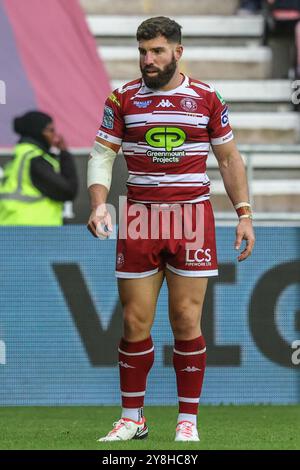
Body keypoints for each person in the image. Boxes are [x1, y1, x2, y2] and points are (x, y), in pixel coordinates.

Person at [87, 16, 255, 442]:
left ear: (177, 52)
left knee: (185, 320)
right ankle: (132, 418)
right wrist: (98, 203)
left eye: (157, 51)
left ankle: (187, 420)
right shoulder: (121, 98)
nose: (148, 59)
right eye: (143, 51)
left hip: (190, 217)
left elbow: (230, 159)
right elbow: (102, 153)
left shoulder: (207, 97)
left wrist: (244, 213)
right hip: (141, 216)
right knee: (133, 321)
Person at [0, 111, 78, 225]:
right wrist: (64, 153)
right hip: (33, 233)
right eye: (51, 130)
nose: (55, 135)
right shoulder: (35, 161)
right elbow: (68, 191)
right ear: (37, 132)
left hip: (12, 231)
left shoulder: (20, 157)